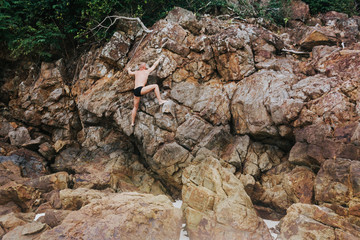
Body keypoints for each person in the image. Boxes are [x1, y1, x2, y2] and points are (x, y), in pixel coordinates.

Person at [127, 57, 167, 127]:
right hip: (141, 89)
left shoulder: (136, 72)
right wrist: (159, 59)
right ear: (143, 67)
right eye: (145, 65)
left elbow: (130, 73)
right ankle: (160, 100)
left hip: (135, 91)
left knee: (135, 107)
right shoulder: (146, 71)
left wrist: (128, 69)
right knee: (155, 86)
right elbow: (154, 66)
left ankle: (132, 123)